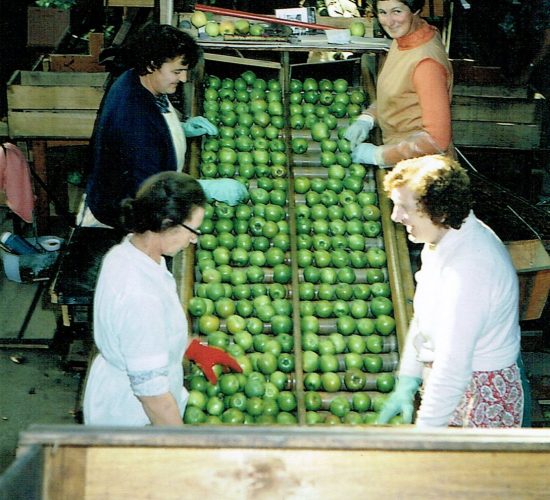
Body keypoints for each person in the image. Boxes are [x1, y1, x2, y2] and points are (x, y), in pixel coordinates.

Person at [83, 172, 241, 426]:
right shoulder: (139, 296)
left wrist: (189, 347)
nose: (194, 239)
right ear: (167, 223)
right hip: (134, 416)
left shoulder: (128, 253)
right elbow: (153, 397)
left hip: (127, 389)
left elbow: (143, 335)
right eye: (192, 230)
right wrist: (177, 444)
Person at [378, 155, 524, 428]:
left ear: (439, 212)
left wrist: (426, 436)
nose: (396, 217)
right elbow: (424, 316)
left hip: (478, 392)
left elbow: (453, 366)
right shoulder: (440, 238)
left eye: (405, 208)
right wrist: (409, 377)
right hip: (453, 382)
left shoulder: (471, 268)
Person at [81, 22, 246, 228]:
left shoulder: (136, 79)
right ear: (152, 64)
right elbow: (149, 190)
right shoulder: (134, 118)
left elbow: (153, 127)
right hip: (124, 218)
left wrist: (180, 128)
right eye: (177, 72)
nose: (184, 79)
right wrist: (203, 188)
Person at [344, 0, 453, 167]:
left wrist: (379, 155)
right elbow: (398, 94)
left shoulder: (426, 64)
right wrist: (368, 118)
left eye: (396, 11)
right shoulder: (402, 39)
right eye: (382, 12)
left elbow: (436, 140)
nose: (389, 21)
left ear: (415, 9)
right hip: (400, 158)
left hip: (422, 170)